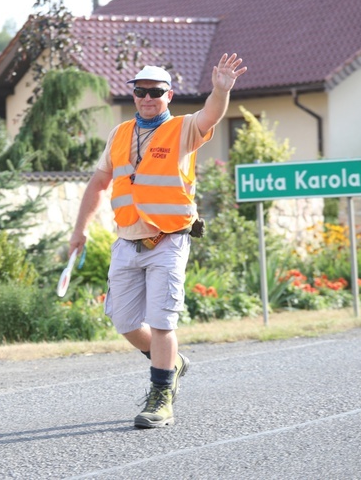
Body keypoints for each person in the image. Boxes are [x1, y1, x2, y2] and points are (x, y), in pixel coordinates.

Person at [68, 53, 247, 428]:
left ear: (169, 96)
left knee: (162, 321)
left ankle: (161, 397)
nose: (148, 98)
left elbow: (211, 115)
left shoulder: (183, 128)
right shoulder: (119, 134)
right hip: (127, 240)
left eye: (156, 92)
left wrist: (220, 90)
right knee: (124, 320)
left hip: (169, 239)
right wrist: (80, 228)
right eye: (141, 91)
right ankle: (173, 363)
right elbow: (99, 183)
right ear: (133, 95)